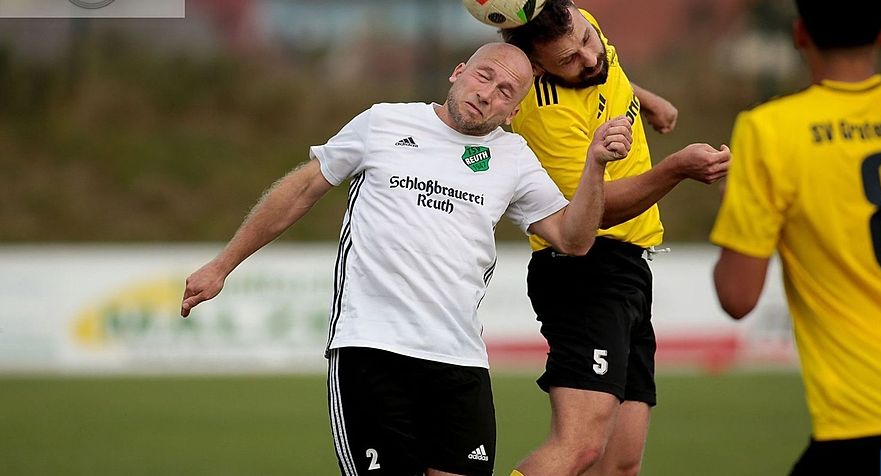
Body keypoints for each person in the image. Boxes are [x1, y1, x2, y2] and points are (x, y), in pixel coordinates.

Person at [179, 42, 634, 476]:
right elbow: (302, 189)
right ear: (458, 73)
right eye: (483, 76)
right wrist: (222, 265)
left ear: (513, 112)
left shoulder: (513, 157)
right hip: (373, 350)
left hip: (460, 362)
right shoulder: (384, 123)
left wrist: (594, 165)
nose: (486, 94)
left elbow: (573, 240)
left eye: (504, 92)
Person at [711, 0, 881, 475]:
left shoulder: (770, 131)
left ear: (800, 33)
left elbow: (737, 297)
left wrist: (743, 206)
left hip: (867, 424)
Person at [500, 0, 731, 475]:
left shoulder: (578, 26)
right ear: (538, 68)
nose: (589, 57)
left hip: (628, 269)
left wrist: (644, 100)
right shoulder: (545, 114)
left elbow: (607, 70)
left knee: (621, 463)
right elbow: (594, 213)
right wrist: (676, 169)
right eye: (569, 60)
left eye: (587, 40)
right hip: (585, 271)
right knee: (580, 448)